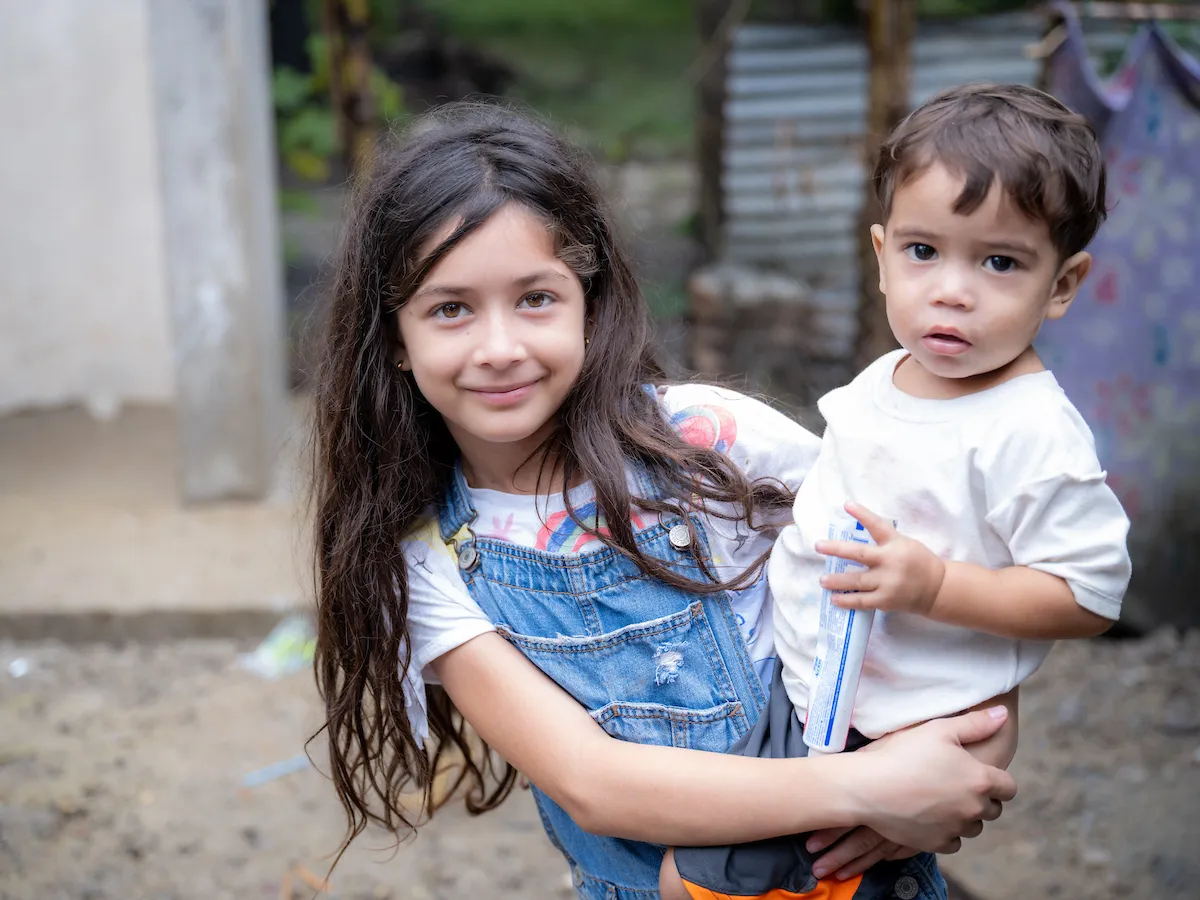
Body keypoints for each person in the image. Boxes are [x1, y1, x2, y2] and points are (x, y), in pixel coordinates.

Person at [310, 101, 1017, 900]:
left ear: (589, 302)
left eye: (536, 298)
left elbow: (943, 583)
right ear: (395, 341)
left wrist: (967, 756)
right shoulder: (424, 560)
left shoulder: (714, 441)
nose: (500, 348)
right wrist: (867, 792)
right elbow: (591, 783)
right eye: (450, 309)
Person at [664, 84, 1132, 900]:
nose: (951, 290)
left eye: (999, 262)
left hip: (903, 728)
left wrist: (937, 586)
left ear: (1062, 284)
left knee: (701, 884)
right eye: (923, 251)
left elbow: (1087, 593)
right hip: (809, 688)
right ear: (880, 255)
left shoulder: (1029, 431)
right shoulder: (891, 375)